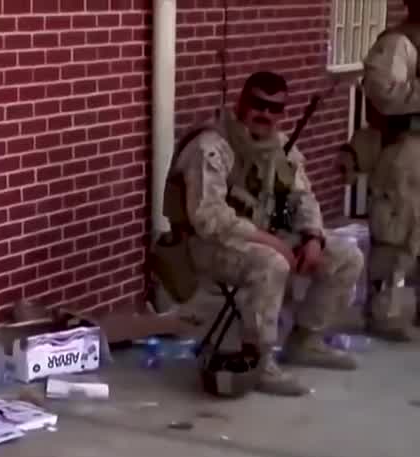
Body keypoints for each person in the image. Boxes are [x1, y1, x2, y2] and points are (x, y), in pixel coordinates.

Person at [164, 71, 365, 396]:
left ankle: (306, 340)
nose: (266, 114)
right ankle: (259, 361)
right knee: (272, 263)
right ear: (241, 104)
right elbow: (208, 219)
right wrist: (272, 242)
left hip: (257, 237)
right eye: (258, 104)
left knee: (346, 255)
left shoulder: (280, 147)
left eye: (275, 108)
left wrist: (314, 236)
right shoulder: (212, 146)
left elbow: (304, 197)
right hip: (207, 245)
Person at [361, 0, 420, 341]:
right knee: (394, 234)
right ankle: (384, 313)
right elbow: (382, 93)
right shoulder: (398, 42)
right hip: (405, 150)